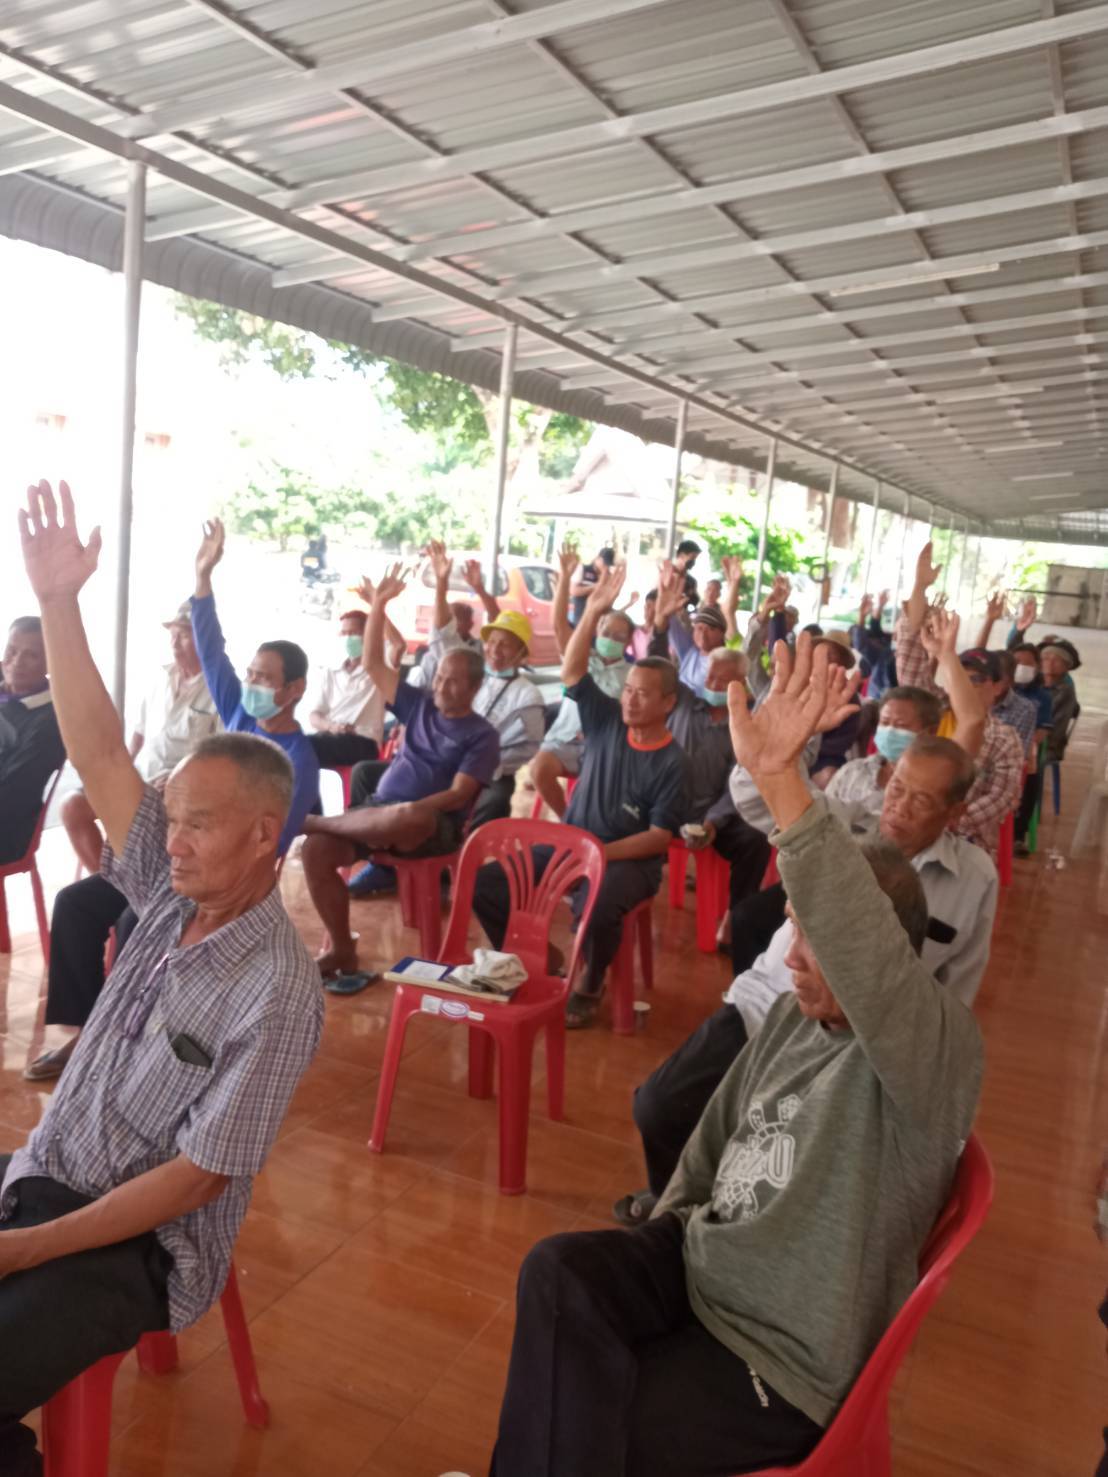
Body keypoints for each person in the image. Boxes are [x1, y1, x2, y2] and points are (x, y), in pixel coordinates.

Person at [481, 636, 982, 1477]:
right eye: (794, 932)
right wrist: (673, 1223)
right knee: (558, 1272)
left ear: (878, 955)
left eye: (816, 942)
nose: (793, 958)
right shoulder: (790, 1015)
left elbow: (855, 935)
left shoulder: (932, 1052)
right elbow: (714, 1142)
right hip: (704, 1262)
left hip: (782, 1346)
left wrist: (785, 780)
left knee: (603, 1417)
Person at [2, 481, 323, 1477]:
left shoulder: (277, 990)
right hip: (42, 1174)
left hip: (137, 1246)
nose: (169, 842)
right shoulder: (167, 893)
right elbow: (99, 748)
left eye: (197, 825)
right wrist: (58, 601)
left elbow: (196, 1178)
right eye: (170, 820)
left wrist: (28, 1250)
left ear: (263, 835)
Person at [623, 727, 997, 1220]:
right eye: (897, 787)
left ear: (955, 813)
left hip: (854, 1049)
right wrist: (774, 751)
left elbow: (956, 990)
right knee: (659, 1106)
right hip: (771, 1005)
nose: (898, 807)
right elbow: (757, 800)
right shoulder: (842, 828)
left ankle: (725, 1221)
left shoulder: (972, 879)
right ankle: (674, 1203)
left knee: (789, 1156)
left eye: (921, 801)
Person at [472, 564, 691, 1029]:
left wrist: (598, 855)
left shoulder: (674, 761)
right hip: (572, 844)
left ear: (668, 704)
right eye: (627, 691)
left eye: (642, 695)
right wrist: (591, 611)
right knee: (485, 884)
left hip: (626, 861)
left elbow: (658, 837)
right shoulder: (607, 719)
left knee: (601, 904)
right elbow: (573, 671)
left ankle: (591, 982)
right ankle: (543, 955)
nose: (630, 700)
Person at [300, 564, 500, 987]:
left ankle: (316, 820)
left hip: (430, 826)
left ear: (474, 689)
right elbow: (373, 662)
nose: (442, 687)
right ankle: (342, 947)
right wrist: (378, 606)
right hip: (380, 812)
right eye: (440, 678)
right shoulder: (419, 704)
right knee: (317, 850)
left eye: (454, 683)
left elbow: (458, 795)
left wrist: (406, 810)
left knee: (406, 814)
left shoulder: (482, 735)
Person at [60, 601, 221, 875]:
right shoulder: (160, 679)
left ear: (206, 639)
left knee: (143, 830)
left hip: (176, 792)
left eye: (184, 635)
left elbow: (221, 758)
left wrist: (178, 780)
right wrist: (121, 769)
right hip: (137, 780)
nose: (175, 642)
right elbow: (139, 735)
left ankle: (128, 886)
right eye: (172, 634)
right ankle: (109, 886)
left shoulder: (219, 689)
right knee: (72, 806)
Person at [191, 517, 320, 843]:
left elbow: (274, 841)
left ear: (294, 689)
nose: (250, 684)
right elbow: (211, 652)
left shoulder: (298, 761)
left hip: (232, 860)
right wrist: (203, 578)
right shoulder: (240, 714)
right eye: (250, 674)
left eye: (263, 678)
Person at [421, 542, 544, 826]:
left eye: (505, 645)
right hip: (448, 756)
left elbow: (527, 748)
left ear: (520, 653)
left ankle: (467, 849)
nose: (495, 650)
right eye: (491, 642)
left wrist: (482, 762)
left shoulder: (528, 695)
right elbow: (442, 636)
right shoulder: (470, 669)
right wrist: (441, 584)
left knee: (495, 800)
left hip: (491, 772)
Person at [531, 542, 632, 819]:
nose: (611, 639)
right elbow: (558, 626)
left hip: (603, 747)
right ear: (597, 630)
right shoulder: (580, 658)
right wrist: (565, 578)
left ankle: (586, 823)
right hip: (564, 739)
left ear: (628, 642)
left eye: (619, 636)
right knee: (539, 768)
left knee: (600, 790)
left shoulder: (632, 675)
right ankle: (568, 822)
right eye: (606, 632)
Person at [824, 685, 942, 825]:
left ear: (930, 732)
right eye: (885, 723)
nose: (889, 732)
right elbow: (823, 817)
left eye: (901, 725)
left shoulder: (938, 784)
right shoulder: (853, 771)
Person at [0, 615, 65, 867]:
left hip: (8, 829)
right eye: (11, 651)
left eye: (31, 655)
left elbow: (14, 794)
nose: (16, 662)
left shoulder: (49, 724)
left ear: (50, 662)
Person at [307, 598, 401, 766]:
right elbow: (315, 716)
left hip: (363, 742)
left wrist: (377, 606)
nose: (348, 638)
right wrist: (333, 727)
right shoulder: (332, 670)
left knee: (307, 747)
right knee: (297, 744)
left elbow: (398, 645)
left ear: (368, 635)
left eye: (354, 633)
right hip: (330, 735)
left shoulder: (380, 666)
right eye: (344, 633)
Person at [653, 560, 727, 690]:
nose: (703, 634)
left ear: (722, 633)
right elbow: (668, 621)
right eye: (699, 628)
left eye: (710, 628)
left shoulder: (728, 663)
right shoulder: (690, 652)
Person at [569, 546, 615, 625]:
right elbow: (573, 591)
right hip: (581, 618)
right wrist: (595, 587)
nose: (606, 567)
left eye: (608, 565)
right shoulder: (583, 569)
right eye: (604, 563)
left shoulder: (609, 577)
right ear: (598, 559)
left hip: (599, 622)